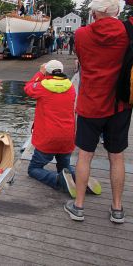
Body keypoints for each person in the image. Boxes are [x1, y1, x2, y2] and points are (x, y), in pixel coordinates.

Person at [64, 0, 131, 224]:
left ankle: (79, 206)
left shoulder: (82, 34)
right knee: (117, 157)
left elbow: (82, 61)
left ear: (96, 12)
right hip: (119, 105)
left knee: (85, 155)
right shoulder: (127, 32)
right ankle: (117, 209)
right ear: (117, 11)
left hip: (91, 103)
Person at [24, 60, 78, 197]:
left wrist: (40, 73)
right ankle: (77, 177)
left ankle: (57, 180)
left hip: (47, 138)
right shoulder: (70, 87)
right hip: (67, 137)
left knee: (34, 169)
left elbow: (28, 88)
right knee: (64, 167)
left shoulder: (42, 87)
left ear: (47, 72)